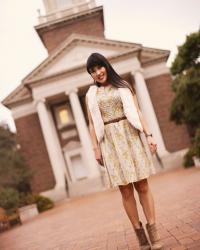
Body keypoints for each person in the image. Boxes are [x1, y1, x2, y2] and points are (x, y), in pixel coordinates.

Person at [85, 52, 163, 250]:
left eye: (99, 67)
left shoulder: (124, 86)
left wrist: (149, 135)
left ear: (106, 66)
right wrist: (95, 148)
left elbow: (137, 112)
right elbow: (92, 124)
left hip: (131, 137)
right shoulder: (91, 95)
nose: (98, 73)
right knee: (126, 190)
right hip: (110, 143)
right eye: (93, 71)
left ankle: (154, 233)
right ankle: (141, 237)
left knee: (143, 186)